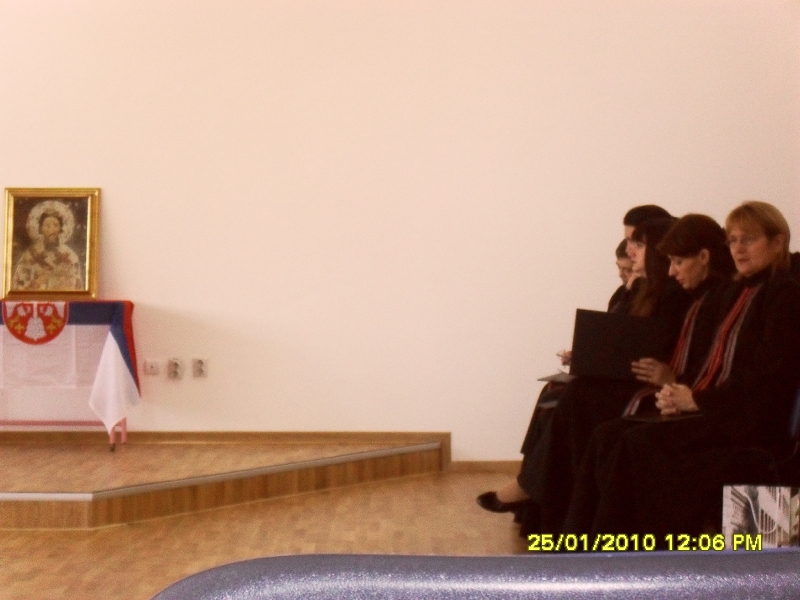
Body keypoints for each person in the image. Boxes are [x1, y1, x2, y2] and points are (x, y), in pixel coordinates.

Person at [570, 201, 800, 541]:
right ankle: (580, 550)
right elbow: (713, 367)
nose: (738, 248)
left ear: (778, 242)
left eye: (748, 239)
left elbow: (767, 380)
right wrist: (679, 396)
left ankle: (629, 556)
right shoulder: (738, 290)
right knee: (609, 435)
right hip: (723, 410)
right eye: (733, 240)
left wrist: (696, 401)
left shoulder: (786, 295)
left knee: (638, 443)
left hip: (751, 423)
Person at [478, 214, 691, 528]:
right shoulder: (645, 290)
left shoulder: (671, 294)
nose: (631, 251)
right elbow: (620, 336)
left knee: (578, 396)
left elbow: (650, 347)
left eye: (638, 244)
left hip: (647, 383)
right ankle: (532, 493)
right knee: (556, 391)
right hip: (630, 376)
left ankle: (532, 490)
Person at [12, 202, 82, 292]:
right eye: (47, 226)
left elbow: (77, 287)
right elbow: (18, 286)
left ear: (60, 229)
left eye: (55, 225)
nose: (52, 230)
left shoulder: (69, 256)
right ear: (41, 229)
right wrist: (37, 282)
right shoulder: (30, 256)